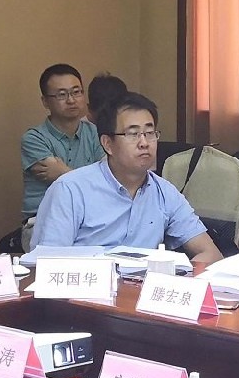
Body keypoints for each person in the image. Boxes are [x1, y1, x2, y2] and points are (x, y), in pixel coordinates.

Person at [33, 92, 221, 266]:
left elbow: (211, 254)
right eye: (132, 134)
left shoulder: (165, 193)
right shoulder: (70, 190)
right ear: (108, 144)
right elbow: (47, 264)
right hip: (86, 288)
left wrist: (175, 277)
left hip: (143, 288)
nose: (144, 143)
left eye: (150, 133)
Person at [21, 63, 104, 222]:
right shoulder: (34, 138)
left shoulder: (94, 132)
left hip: (87, 216)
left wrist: (63, 171)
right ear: (45, 101)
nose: (71, 100)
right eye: (61, 95)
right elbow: (92, 184)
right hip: (44, 219)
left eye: (76, 92)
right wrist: (91, 180)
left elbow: (106, 182)